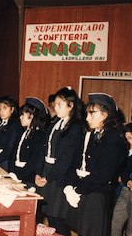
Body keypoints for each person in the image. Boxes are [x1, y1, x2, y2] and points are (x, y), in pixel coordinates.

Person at [64, 93, 128, 236]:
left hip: (96, 194)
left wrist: (78, 189)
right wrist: (70, 186)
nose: (87, 118)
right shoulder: (94, 134)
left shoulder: (113, 138)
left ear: (105, 114)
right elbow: (78, 162)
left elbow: (103, 174)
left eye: (92, 113)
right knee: (78, 229)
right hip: (86, 190)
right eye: (87, 113)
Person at [35, 87, 85, 236]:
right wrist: (38, 173)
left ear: (71, 106)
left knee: (59, 219)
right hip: (46, 172)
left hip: (59, 176)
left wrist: (48, 177)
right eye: (55, 104)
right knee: (50, 217)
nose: (55, 107)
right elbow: (43, 151)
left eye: (59, 104)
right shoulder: (55, 123)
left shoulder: (76, 127)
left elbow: (67, 158)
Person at [8, 97, 48, 184]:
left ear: (32, 115)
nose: (20, 117)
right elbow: (14, 153)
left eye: (23, 114)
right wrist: (11, 171)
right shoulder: (23, 132)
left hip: (27, 178)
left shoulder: (39, 135)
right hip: (15, 174)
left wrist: (19, 176)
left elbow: (33, 161)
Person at [111, 123, 132, 236]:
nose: (131, 142)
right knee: (116, 222)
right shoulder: (127, 153)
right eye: (127, 138)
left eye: (131, 138)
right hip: (124, 190)